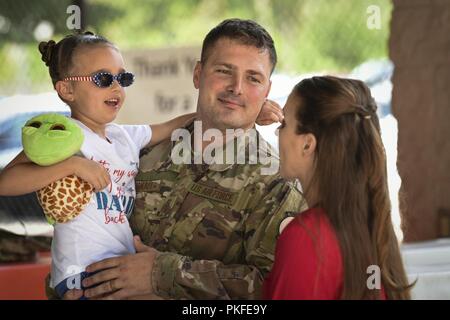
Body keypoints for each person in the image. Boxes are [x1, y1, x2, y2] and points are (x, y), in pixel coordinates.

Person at [62, 19, 305, 300]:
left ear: (266, 90)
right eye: (224, 71)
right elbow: (79, 232)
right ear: (198, 74)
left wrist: (163, 273)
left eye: (253, 78)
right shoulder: (138, 154)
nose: (236, 87)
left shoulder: (276, 182)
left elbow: (273, 286)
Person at [0, 31, 200, 299]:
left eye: (123, 78)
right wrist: (72, 165)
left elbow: (172, 125)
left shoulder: (124, 136)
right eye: (103, 79)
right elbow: (6, 182)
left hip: (117, 266)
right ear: (67, 89)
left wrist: (239, 110)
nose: (116, 87)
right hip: (82, 273)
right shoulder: (64, 134)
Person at [263, 76, 414, 299]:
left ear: (307, 144)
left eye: (284, 124)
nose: (278, 133)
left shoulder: (307, 239)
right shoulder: (371, 223)